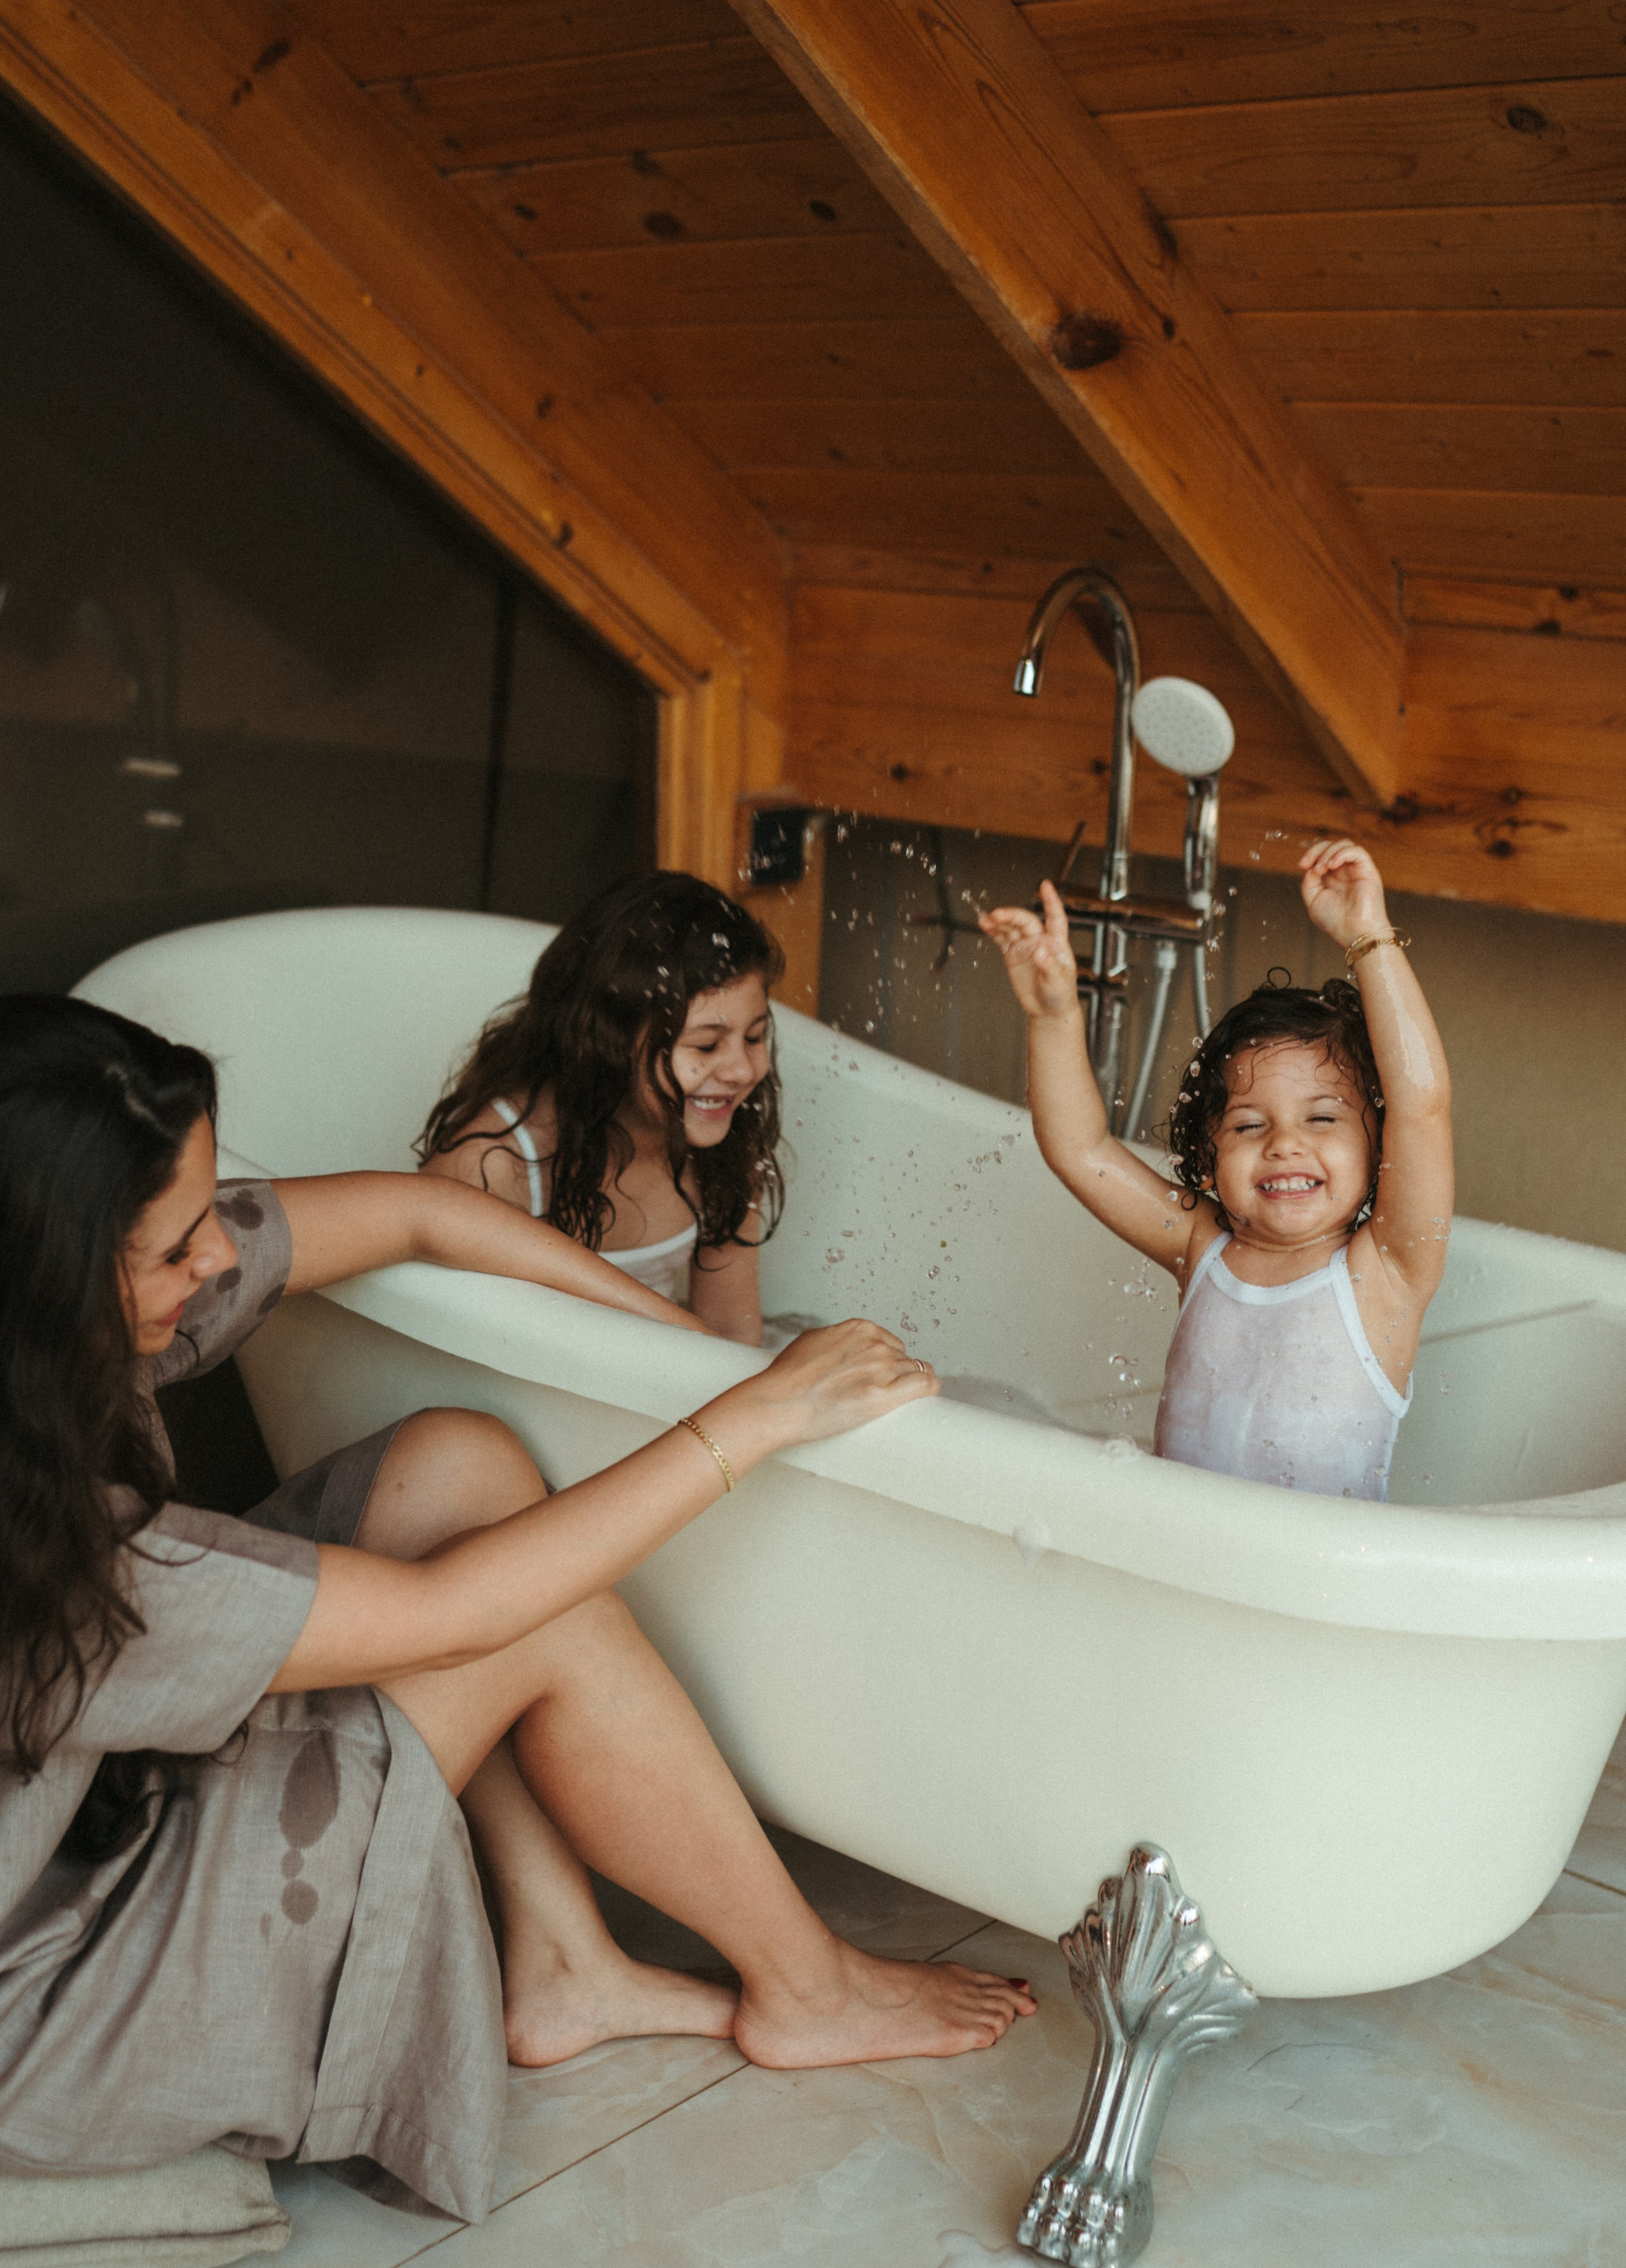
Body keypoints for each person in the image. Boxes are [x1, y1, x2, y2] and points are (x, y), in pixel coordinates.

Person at [0, 997, 1032, 2222]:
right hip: (62, 2014)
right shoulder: (44, 1564)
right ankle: (809, 1988)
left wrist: (708, 1361)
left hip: (81, 1839)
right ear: (57, 1271)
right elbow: (452, 1611)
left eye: (206, 1214)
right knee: (529, 1605)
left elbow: (424, 1212)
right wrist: (751, 1422)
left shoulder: (43, 1347)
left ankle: (565, 1963)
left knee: (461, 1464)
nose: (216, 1257)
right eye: (173, 1250)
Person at [979, 840, 1453, 1501]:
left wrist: (1369, 935)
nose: (1284, 1143)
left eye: (1321, 1119)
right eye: (1248, 1125)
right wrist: (1053, 1015)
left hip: (1302, 1595)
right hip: (1180, 1570)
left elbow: (1421, 1104)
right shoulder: (1200, 1244)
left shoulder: (1387, 1272)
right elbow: (1080, 1150)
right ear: (1209, 1150)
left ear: (1379, 1146)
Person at [420, 873, 781, 1346]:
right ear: (608, 1045)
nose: (741, 1069)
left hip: (654, 1372)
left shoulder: (718, 1136)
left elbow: (732, 1332)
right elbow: (450, 1349)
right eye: (707, 1045)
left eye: (755, 1036)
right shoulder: (496, 1163)